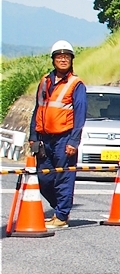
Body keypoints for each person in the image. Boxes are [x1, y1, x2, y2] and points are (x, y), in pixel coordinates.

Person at [28, 40, 87, 229]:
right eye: (59, 57)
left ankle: (61, 216)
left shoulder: (76, 84)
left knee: (63, 179)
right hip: (44, 139)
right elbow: (38, 109)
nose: (63, 60)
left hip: (64, 138)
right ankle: (60, 209)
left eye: (66, 57)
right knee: (43, 177)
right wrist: (33, 136)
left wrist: (73, 141)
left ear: (71, 60)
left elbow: (80, 114)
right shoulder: (45, 81)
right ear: (53, 60)